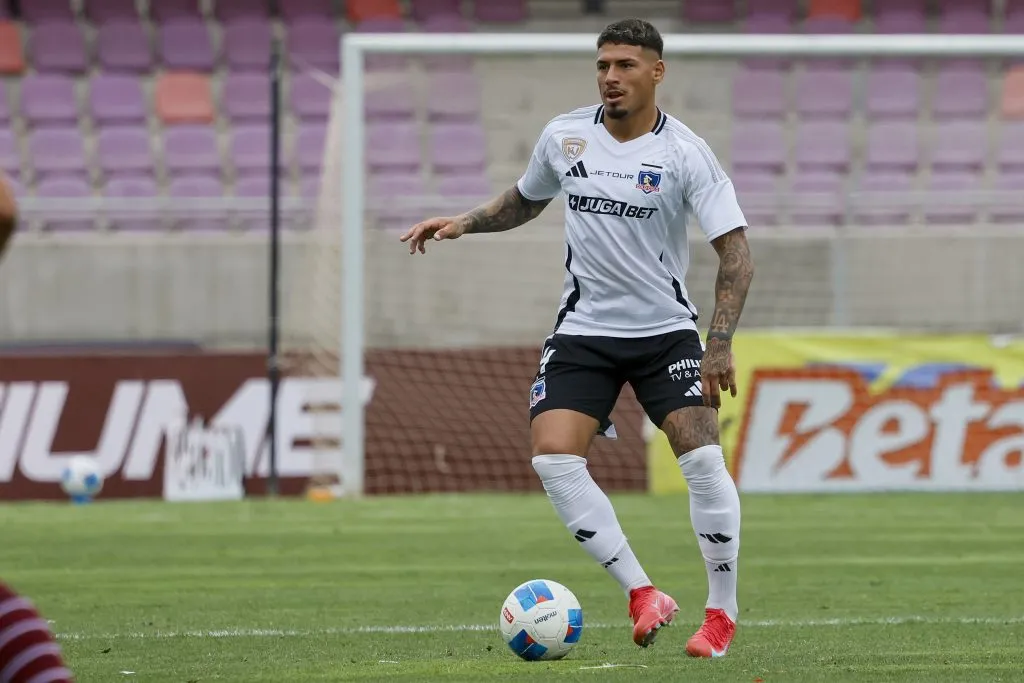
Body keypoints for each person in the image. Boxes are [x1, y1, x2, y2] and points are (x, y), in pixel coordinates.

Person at [400, 18, 754, 658]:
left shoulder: (685, 153)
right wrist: (464, 223)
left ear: (656, 72)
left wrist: (719, 342)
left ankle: (721, 614)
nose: (611, 77)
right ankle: (642, 591)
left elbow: (736, 254)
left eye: (625, 65)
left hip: (664, 333)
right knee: (553, 458)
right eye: (603, 66)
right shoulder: (566, 137)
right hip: (585, 329)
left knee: (701, 460)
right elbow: (525, 200)